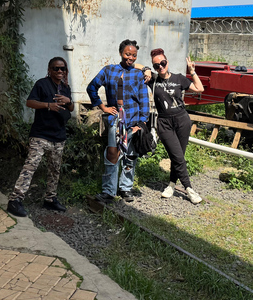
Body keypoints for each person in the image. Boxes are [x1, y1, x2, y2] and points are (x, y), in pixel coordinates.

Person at [7, 57, 74, 218]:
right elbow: (30, 102)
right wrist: (48, 105)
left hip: (59, 136)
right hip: (41, 135)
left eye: (62, 69)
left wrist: (68, 101)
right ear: (49, 70)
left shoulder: (65, 87)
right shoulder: (41, 84)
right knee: (30, 167)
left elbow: (70, 109)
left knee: (54, 170)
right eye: (56, 68)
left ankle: (50, 199)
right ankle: (15, 200)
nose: (59, 71)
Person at [87, 39, 149, 203]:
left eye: (134, 55)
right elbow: (92, 87)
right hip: (115, 120)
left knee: (130, 155)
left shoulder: (138, 74)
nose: (131, 58)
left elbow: (144, 100)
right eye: (128, 54)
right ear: (121, 53)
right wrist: (103, 107)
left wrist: (142, 122)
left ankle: (125, 188)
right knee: (112, 154)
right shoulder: (109, 70)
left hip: (133, 121)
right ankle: (108, 191)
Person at [147, 48, 205, 204]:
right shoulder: (153, 80)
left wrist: (192, 71)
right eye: (156, 65)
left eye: (162, 63)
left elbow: (200, 89)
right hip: (164, 123)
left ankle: (172, 185)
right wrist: (146, 69)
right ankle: (189, 189)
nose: (160, 67)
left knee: (177, 156)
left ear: (167, 62)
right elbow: (136, 66)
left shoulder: (179, 78)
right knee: (178, 156)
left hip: (182, 121)